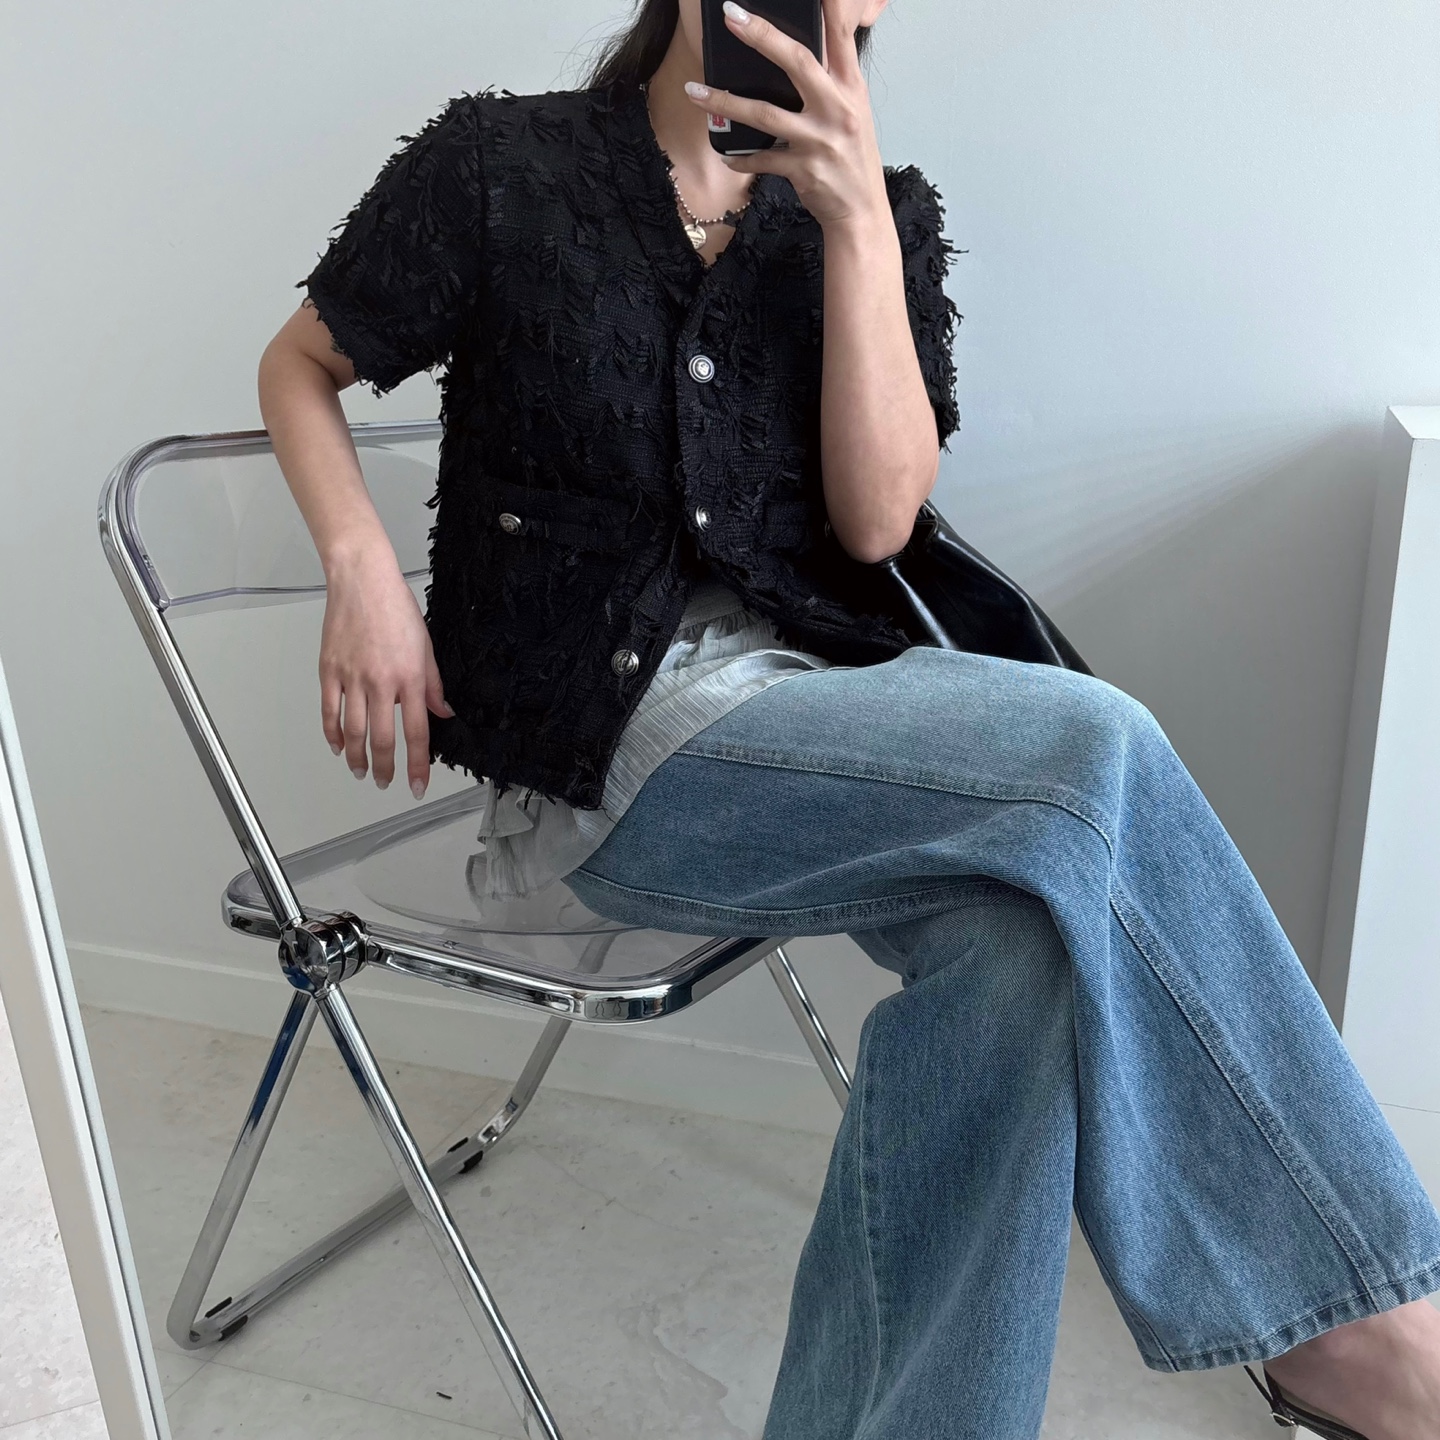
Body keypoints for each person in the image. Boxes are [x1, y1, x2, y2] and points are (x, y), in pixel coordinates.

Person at [256, 1, 1440, 1435]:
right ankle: (1373, 1331)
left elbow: (877, 525)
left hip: (826, 722)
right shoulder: (499, 165)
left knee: (1020, 955)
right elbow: (300, 363)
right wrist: (362, 569)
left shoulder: (884, 214)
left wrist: (858, 223)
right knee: (1097, 745)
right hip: (597, 752)